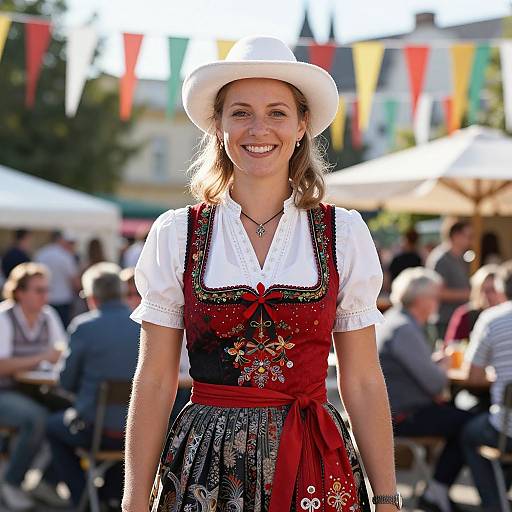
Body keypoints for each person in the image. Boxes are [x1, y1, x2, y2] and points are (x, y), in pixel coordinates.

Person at [123, 36, 400, 512]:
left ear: (301, 126)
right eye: (241, 112)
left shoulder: (344, 232)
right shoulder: (176, 233)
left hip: (312, 459)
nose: (259, 128)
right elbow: (154, 379)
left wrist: (388, 498)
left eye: (276, 112)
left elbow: (362, 381)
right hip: (207, 467)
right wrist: (133, 500)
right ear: (218, 125)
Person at [376, 267, 474, 512]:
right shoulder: (404, 328)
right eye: (435, 297)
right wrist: (443, 366)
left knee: (464, 417)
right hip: (403, 416)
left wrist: (435, 365)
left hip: (397, 411)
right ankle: (437, 491)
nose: (437, 302)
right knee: (472, 424)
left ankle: (436, 490)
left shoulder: (397, 320)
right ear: (422, 300)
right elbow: (434, 383)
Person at [45, 262, 139, 508]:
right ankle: (110, 494)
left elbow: (65, 382)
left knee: (53, 427)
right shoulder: (142, 326)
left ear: (93, 298)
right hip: (137, 430)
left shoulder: (84, 327)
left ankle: (82, 499)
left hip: (96, 429)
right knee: (117, 425)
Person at [0, 263, 66, 511]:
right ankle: (12, 482)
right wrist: (41, 358)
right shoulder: (4, 317)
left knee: (71, 416)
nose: (45, 296)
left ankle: (46, 481)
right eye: (39, 290)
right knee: (36, 418)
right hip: (5, 391)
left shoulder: (48, 315)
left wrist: (46, 358)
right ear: (19, 292)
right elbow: (2, 366)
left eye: (46, 290)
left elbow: (61, 353)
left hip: (36, 390)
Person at [461, 261, 512, 512]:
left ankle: (495, 505)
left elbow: (472, 376)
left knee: (469, 432)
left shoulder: (492, 319)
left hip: (507, 427)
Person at [426, 220, 473, 338]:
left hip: (458, 317)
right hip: (444, 320)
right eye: (468, 236)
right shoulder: (441, 259)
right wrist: (468, 294)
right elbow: (437, 291)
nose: (470, 240)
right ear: (456, 236)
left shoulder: (461, 257)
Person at [444, 264, 504, 344]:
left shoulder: (507, 316)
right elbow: (452, 345)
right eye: (483, 290)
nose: (488, 295)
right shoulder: (465, 315)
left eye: (493, 290)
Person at [35, 231, 80, 327]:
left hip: (45, 299)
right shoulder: (65, 256)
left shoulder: (41, 254)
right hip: (63, 300)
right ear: (61, 240)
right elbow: (74, 281)